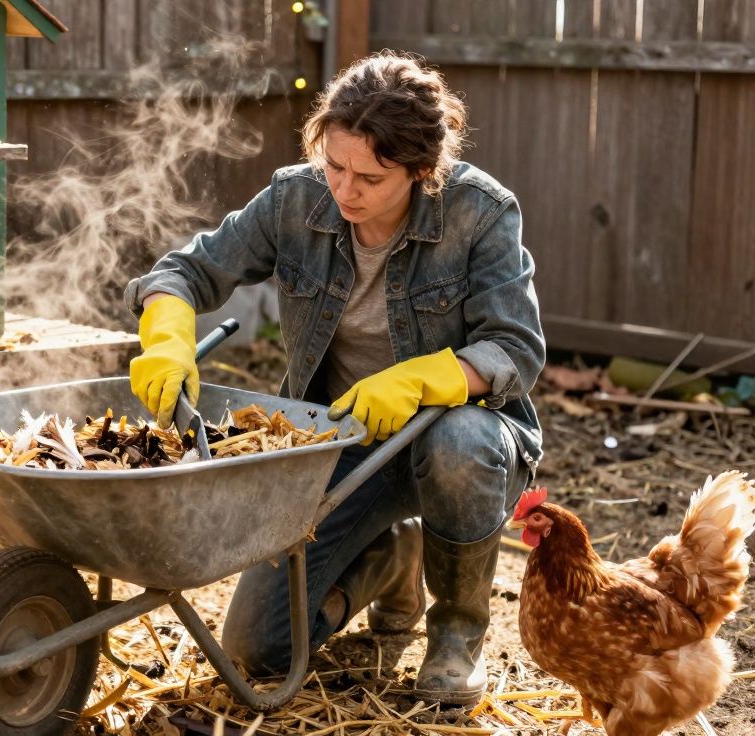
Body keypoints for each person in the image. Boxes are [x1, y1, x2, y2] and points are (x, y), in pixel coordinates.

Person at [124, 52, 544, 705]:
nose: (344, 191)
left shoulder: (480, 213)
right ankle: (392, 560)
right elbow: (183, 272)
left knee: (460, 444)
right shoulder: (296, 199)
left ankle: (456, 636)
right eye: (335, 165)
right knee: (255, 650)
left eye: (370, 178)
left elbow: (515, 348)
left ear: (421, 172)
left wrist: (418, 380)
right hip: (339, 448)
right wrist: (168, 337)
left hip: (456, 443)